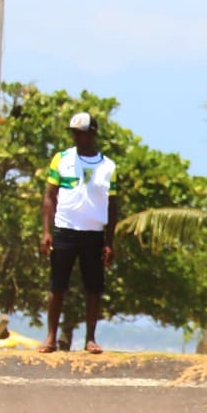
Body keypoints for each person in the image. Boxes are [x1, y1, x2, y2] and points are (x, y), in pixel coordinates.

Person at [39, 111, 117, 354]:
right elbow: (50, 196)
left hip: (93, 233)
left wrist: (109, 242)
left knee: (94, 287)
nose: (76, 137)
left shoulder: (108, 166)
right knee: (57, 286)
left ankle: (90, 339)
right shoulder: (61, 159)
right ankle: (50, 338)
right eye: (74, 133)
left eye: (81, 133)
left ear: (92, 134)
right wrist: (46, 231)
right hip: (65, 230)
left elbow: (113, 205)